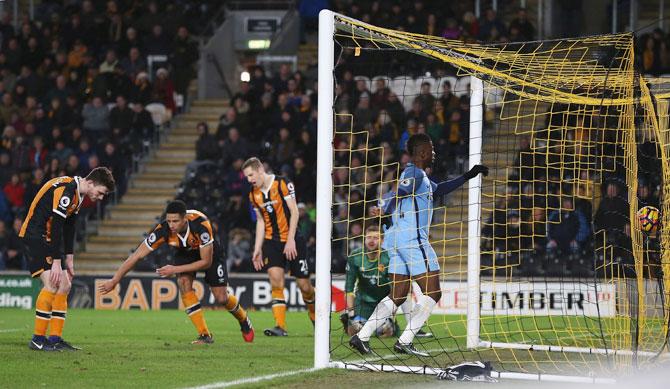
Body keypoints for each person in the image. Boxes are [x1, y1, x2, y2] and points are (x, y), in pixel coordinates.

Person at [350, 133, 488, 356]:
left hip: (397, 244)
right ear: (422, 151)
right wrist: (386, 208)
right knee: (433, 292)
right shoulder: (413, 172)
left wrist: (469, 175)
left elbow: (439, 189)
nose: (434, 152)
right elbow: (399, 192)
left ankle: (362, 336)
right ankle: (405, 341)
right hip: (413, 241)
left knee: (397, 295)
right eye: (431, 148)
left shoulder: (420, 176)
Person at [98, 200, 254, 344]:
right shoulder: (163, 230)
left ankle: (243, 318)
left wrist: (174, 269)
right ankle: (205, 335)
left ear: (184, 219)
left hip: (210, 254)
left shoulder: (201, 225)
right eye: (169, 221)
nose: (171, 225)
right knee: (183, 282)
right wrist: (114, 280)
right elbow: (136, 255)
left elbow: (206, 262)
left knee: (221, 298)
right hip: (184, 253)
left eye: (175, 221)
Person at [21, 167, 115, 351]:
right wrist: (57, 262)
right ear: (90, 183)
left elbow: (69, 226)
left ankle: (55, 339)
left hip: (48, 239)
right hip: (34, 236)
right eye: (100, 192)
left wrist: (69, 258)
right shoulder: (67, 190)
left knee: (65, 285)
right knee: (53, 283)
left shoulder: (78, 193)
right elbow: (56, 225)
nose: (100, 197)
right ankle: (37, 339)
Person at [242, 157, 315, 336]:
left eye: (251, 175)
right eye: (246, 177)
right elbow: (260, 221)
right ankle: (280, 326)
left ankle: (315, 316)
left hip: (293, 239)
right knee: (276, 280)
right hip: (271, 241)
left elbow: (295, 212)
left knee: (304, 286)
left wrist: (290, 240)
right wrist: (257, 248)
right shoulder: (253, 194)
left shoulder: (283, 183)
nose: (249, 179)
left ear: (260, 169)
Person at [341, 224, 433, 339]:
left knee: (385, 331)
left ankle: (413, 328)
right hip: (363, 304)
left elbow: (395, 289)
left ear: (382, 240)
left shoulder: (389, 258)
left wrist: (391, 315)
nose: (371, 241)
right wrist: (351, 313)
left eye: (375, 238)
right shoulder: (355, 256)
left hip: (384, 304)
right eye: (369, 237)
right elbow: (349, 288)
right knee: (355, 330)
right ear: (364, 239)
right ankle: (352, 321)